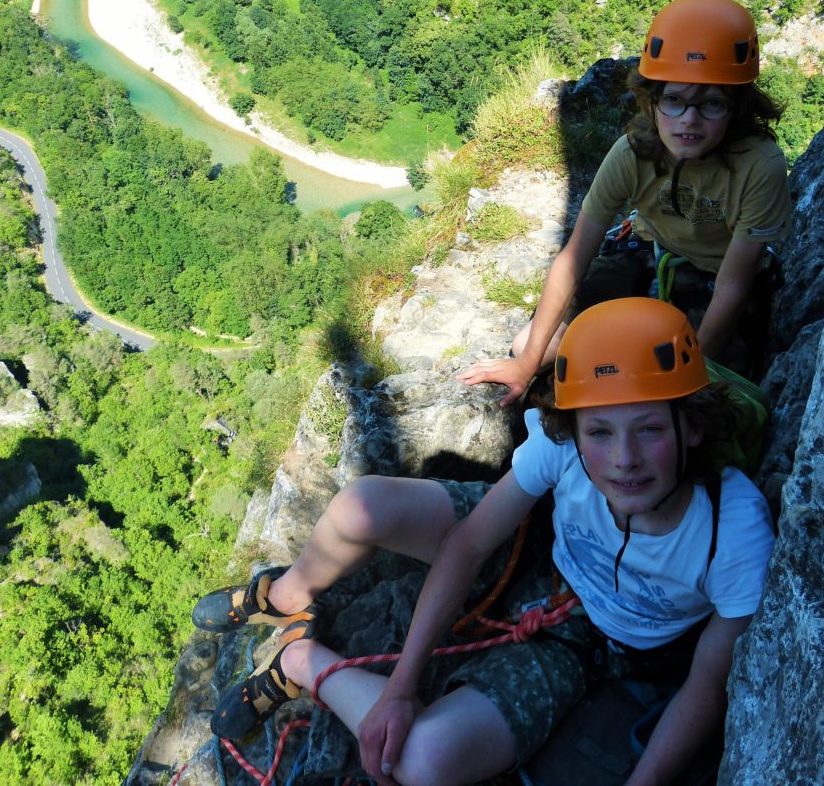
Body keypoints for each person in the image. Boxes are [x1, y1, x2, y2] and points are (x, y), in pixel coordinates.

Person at [191, 298, 775, 786]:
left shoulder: (733, 529)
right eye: (600, 432)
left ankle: (300, 662)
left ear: (693, 426)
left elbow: (706, 683)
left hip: (586, 645)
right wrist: (399, 687)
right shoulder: (564, 446)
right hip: (538, 549)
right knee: (361, 504)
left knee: (420, 759)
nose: (624, 459)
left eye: (649, 428)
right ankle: (289, 594)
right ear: (576, 429)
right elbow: (470, 543)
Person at [459, 0, 791, 404]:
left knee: (681, 382)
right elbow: (574, 258)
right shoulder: (634, 153)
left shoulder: (759, 167)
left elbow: (733, 285)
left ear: (737, 109)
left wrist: (691, 382)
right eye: (674, 99)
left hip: (714, 277)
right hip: (645, 250)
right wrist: (526, 363)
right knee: (533, 343)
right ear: (651, 101)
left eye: (712, 104)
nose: (689, 119)